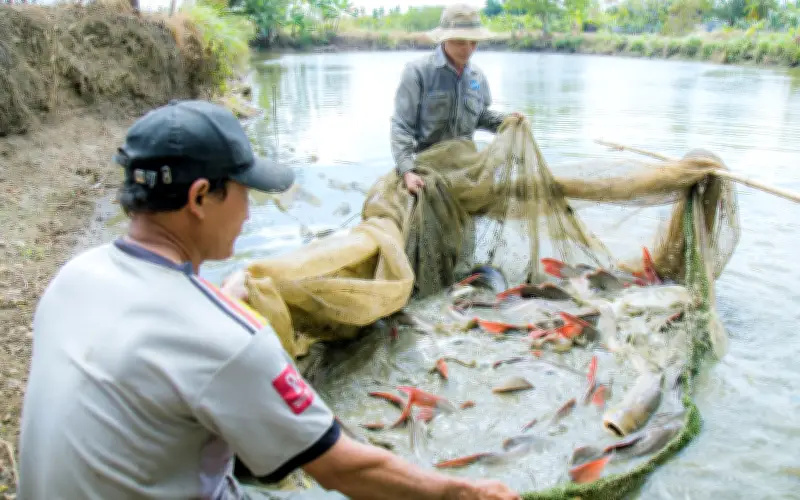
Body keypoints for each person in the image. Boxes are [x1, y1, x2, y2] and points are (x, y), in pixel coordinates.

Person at [16, 99, 520, 500]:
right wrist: (463, 492)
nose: (249, 215)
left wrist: (220, 300)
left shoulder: (73, 278)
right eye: (244, 193)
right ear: (199, 198)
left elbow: (157, 335)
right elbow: (344, 470)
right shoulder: (229, 340)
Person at [391, 3, 526, 195]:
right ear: (444, 38)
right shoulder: (417, 72)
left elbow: (479, 117)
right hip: (427, 172)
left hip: (466, 171)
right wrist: (407, 171)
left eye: (473, 43)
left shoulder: (477, 77)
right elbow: (401, 126)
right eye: (461, 42)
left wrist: (507, 121)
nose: (468, 49)